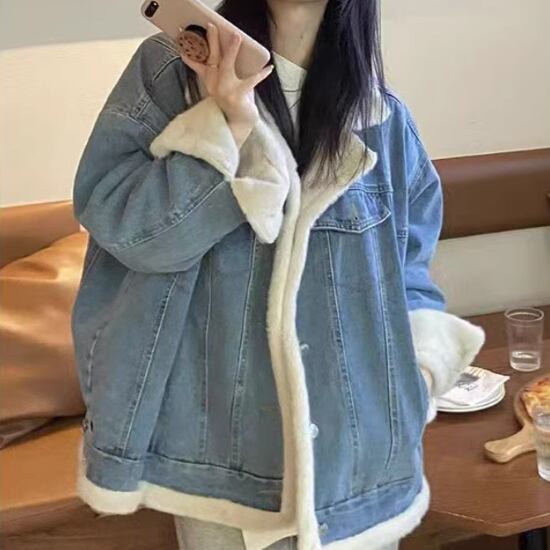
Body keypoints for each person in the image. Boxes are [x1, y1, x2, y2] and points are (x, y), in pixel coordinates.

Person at [70, 0, 486, 549]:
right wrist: (226, 129)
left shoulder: (382, 119)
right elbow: (131, 235)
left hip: (358, 464)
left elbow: (406, 270)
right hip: (220, 461)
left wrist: (420, 372)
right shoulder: (174, 73)